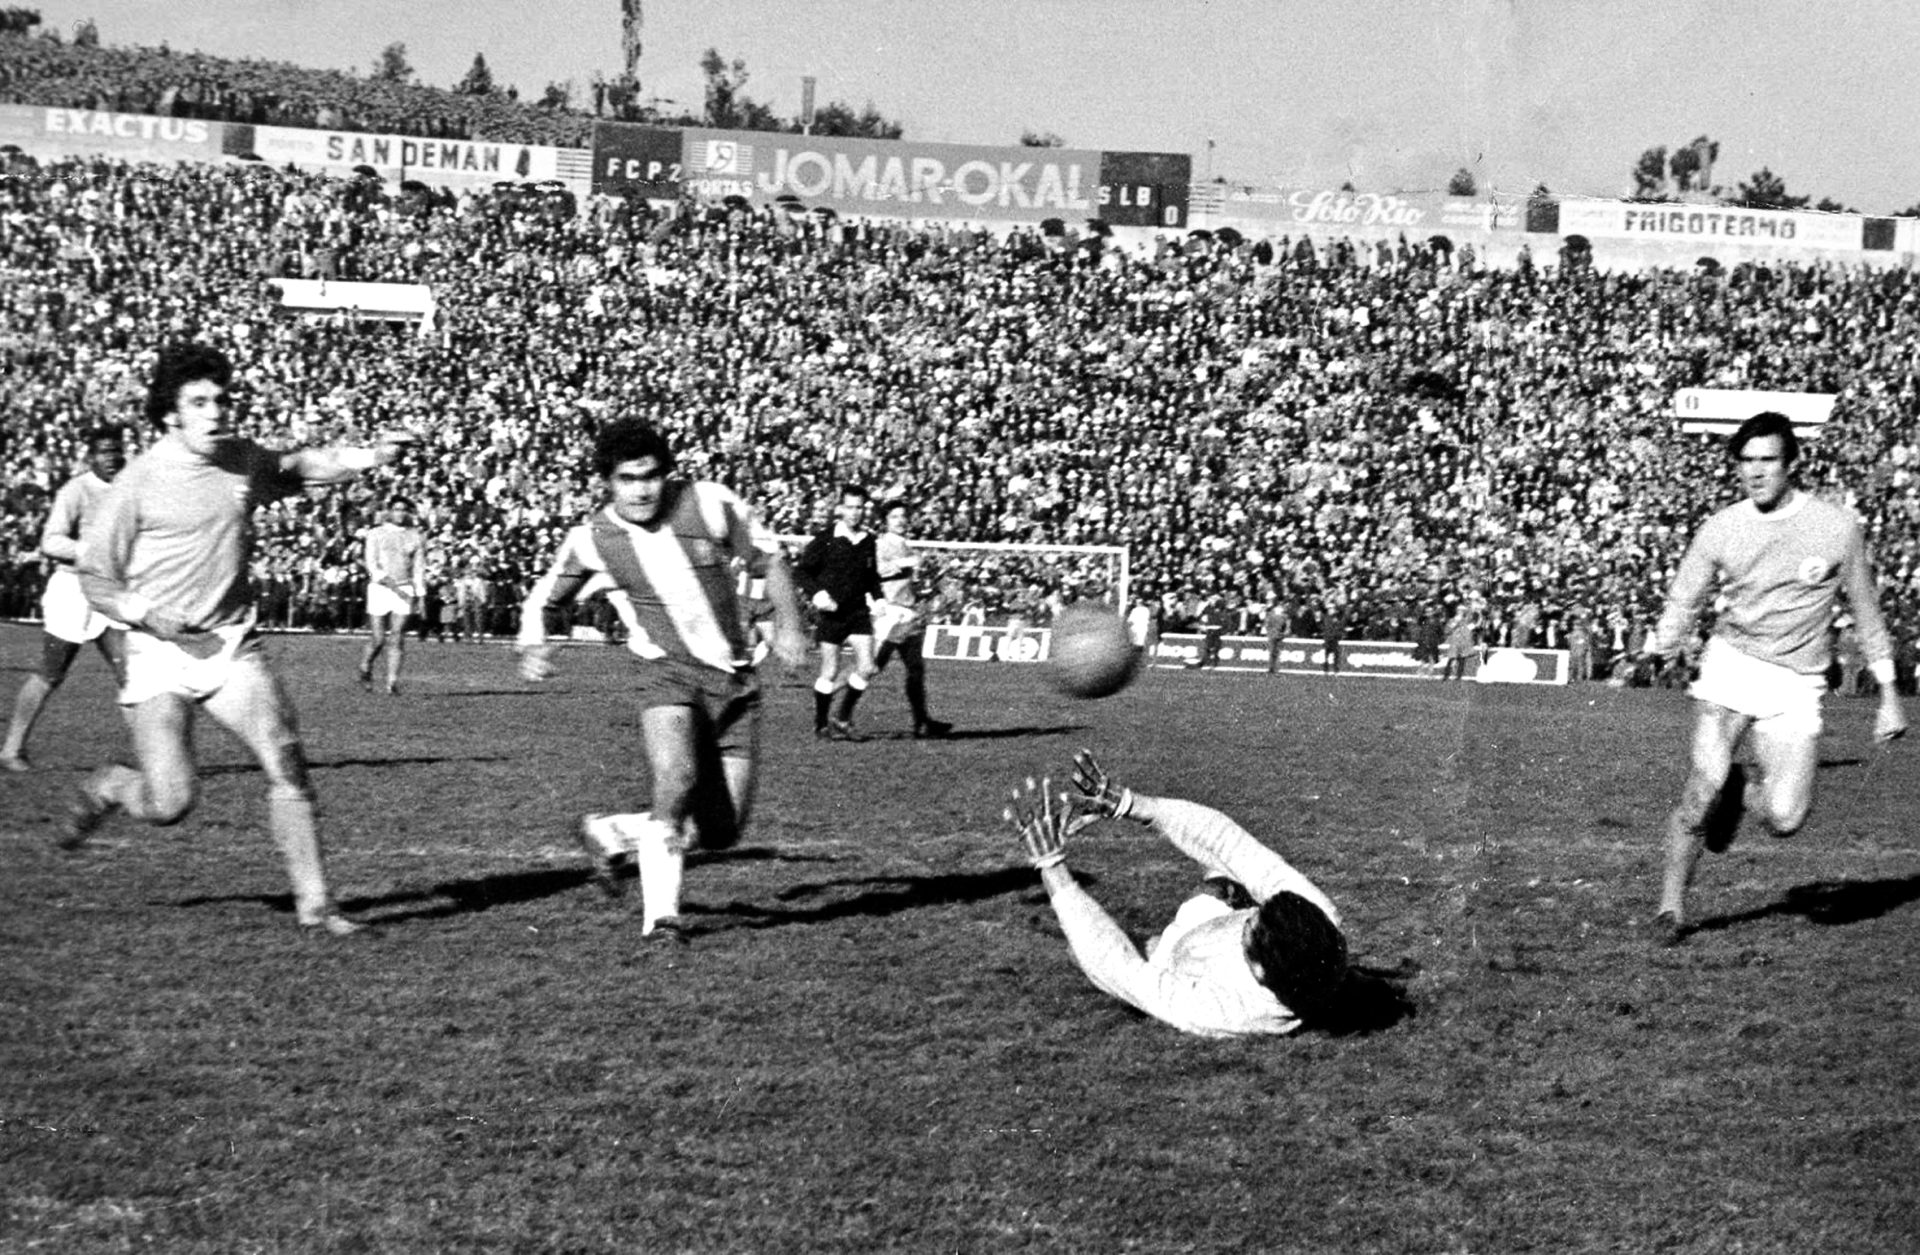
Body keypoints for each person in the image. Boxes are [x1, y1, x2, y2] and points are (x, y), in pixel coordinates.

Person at [65, 342, 417, 936]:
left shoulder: (239, 461)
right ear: (170, 413)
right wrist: (145, 612)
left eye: (221, 399)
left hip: (230, 644)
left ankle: (317, 906)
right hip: (158, 653)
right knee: (171, 803)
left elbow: (301, 465)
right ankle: (115, 785)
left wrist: (370, 455)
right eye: (199, 402)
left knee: (285, 760)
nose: (216, 411)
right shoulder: (138, 481)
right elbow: (95, 575)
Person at [516, 417, 808, 938]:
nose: (641, 489)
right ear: (607, 481)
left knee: (721, 832)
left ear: (666, 474)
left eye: (650, 476)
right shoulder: (593, 540)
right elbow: (544, 598)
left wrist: (788, 625)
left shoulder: (710, 502)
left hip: (736, 682)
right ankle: (662, 921)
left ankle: (611, 832)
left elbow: (769, 559)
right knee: (676, 778)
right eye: (627, 478)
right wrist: (535, 642)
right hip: (666, 673)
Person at [1644, 412, 1908, 948]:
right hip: (1731, 667)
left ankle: (1740, 794)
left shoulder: (1836, 528)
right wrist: (1661, 645)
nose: (1755, 472)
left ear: (1793, 464)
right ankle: (1670, 909)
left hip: (1798, 682)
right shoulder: (1722, 527)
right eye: (1746, 461)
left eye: (1767, 460)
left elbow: (1866, 611)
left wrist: (1888, 697)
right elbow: (1684, 596)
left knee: (1786, 818)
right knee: (1700, 793)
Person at [1001, 749, 1351, 1038]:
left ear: (1258, 972)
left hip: (1178, 963)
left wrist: (1051, 865)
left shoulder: (1237, 1013)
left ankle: (1155, 942)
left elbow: (1120, 971)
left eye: (1250, 926)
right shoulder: (1319, 916)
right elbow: (1229, 843)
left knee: (1088, 954)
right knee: (1226, 879)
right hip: (1212, 934)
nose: (1249, 913)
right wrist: (1133, 805)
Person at [2, 425, 130, 772]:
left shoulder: (129, 487)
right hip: (73, 590)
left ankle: (154, 759)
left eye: (117, 449)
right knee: (50, 672)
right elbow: (51, 541)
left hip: (109, 590)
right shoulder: (76, 490)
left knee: (132, 676)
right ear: (91, 456)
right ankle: (11, 750)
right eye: (105, 451)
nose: (113, 457)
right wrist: (90, 551)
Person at [793, 483, 882, 741]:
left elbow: (871, 576)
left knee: (867, 667)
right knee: (830, 672)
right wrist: (818, 594)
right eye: (850, 507)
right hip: (832, 615)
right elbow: (802, 571)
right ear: (840, 509)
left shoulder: (868, 541)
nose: (855, 513)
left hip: (857, 613)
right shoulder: (825, 539)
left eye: (860, 508)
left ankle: (842, 718)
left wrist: (878, 599)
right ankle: (821, 724)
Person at [870, 500, 953, 739]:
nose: (901, 520)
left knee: (916, 669)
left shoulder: (906, 545)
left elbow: (907, 580)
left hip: (908, 612)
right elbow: (875, 570)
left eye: (903, 516)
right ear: (885, 521)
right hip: (890, 612)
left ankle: (921, 722)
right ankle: (832, 708)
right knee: (871, 667)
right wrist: (904, 563)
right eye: (895, 516)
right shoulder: (881, 543)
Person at [357, 497, 425, 693]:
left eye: (404, 510)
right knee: (378, 639)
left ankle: (392, 682)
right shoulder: (376, 533)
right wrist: (394, 587)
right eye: (396, 509)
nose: (400, 514)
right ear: (389, 511)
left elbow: (419, 568)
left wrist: (420, 596)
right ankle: (365, 665)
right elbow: (372, 565)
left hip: (405, 588)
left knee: (397, 635)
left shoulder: (415, 536)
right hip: (380, 588)